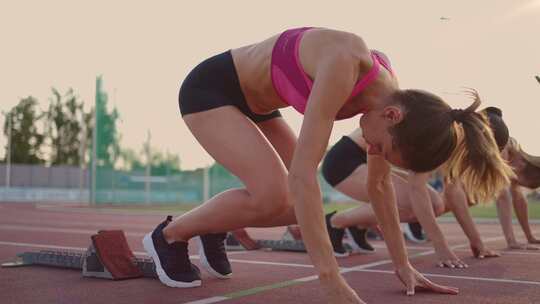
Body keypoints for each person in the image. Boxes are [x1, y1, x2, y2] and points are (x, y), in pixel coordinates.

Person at [142, 27, 512, 302]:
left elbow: (380, 186)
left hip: (259, 104)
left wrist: (403, 265)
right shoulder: (343, 63)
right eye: (381, 146)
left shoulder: (388, 108)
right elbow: (303, 175)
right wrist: (331, 279)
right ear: (392, 115)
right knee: (279, 195)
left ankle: (215, 222)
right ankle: (169, 236)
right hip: (212, 89)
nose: (375, 152)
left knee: (296, 209)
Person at [322, 106, 508, 267]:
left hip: (372, 160)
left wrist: (477, 243)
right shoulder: (438, 132)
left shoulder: (452, 136)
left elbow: (454, 192)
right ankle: (334, 222)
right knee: (425, 205)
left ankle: (358, 224)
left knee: (435, 203)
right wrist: (441, 247)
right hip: (345, 162)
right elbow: (416, 189)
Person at [497, 137, 540, 249]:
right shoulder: (503, 148)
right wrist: (511, 241)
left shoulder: (515, 159)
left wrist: (529, 237)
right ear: (522, 166)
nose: (515, 183)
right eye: (519, 181)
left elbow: (519, 198)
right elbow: (502, 195)